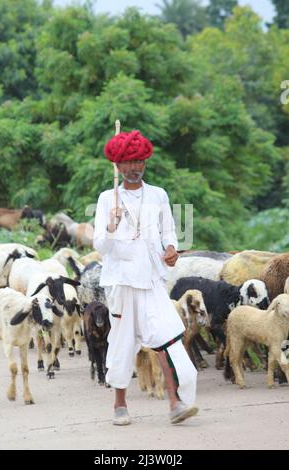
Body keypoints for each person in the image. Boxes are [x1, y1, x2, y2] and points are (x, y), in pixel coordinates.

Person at [93, 130, 198, 425]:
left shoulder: (158, 194)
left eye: (138, 160)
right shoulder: (106, 199)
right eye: (127, 161)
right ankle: (120, 405)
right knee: (123, 343)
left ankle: (176, 403)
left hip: (152, 280)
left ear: (145, 162)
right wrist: (111, 227)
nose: (134, 167)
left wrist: (171, 249)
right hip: (122, 282)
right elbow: (100, 245)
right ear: (117, 164)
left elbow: (168, 232)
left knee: (165, 337)